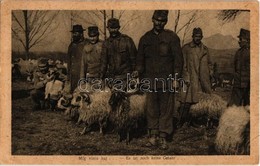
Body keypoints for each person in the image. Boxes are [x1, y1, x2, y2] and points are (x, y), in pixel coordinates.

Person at [135, 10, 183, 150]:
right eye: (157, 20)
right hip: (150, 80)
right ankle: (153, 136)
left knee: (166, 109)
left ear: (166, 22)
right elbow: (140, 60)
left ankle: (163, 137)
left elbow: (178, 60)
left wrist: (176, 78)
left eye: (162, 21)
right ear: (152, 19)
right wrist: (137, 74)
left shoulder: (172, 38)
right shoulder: (145, 38)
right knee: (151, 108)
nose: (159, 23)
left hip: (167, 80)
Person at [177, 27, 213, 127]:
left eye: (199, 36)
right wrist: (185, 76)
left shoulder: (205, 49)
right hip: (188, 78)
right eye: (196, 36)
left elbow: (210, 63)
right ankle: (182, 121)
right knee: (185, 101)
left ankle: (196, 121)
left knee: (199, 101)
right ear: (192, 36)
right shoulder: (186, 48)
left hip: (202, 80)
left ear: (202, 37)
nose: (198, 38)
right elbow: (181, 64)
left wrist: (211, 74)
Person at [101, 18, 137, 90]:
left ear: (119, 28)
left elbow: (134, 59)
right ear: (108, 28)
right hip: (112, 78)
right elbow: (104, 62)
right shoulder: (106, 43)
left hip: (126, 77)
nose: (113, 30)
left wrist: (134, 75)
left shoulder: (127, 40)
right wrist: (101, 77)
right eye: (111, 28)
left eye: (116, 28)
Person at [228, 28, 250, 106]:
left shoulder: (253, 52)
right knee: (233, 106)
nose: (239, 41)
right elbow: (234, 68)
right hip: (237, 84)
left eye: (241, 39)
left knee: (248, 106)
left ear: (247, 40)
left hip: (248, 85)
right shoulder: (238, 52)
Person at [67, 24, 86, 92]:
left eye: (76, 33)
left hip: (82, 74)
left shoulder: (86, 44)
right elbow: (69, 60)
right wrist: (68, 74)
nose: (74, 35)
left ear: (81, 33)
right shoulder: (72, 45)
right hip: (73, 74)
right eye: (73, 33)